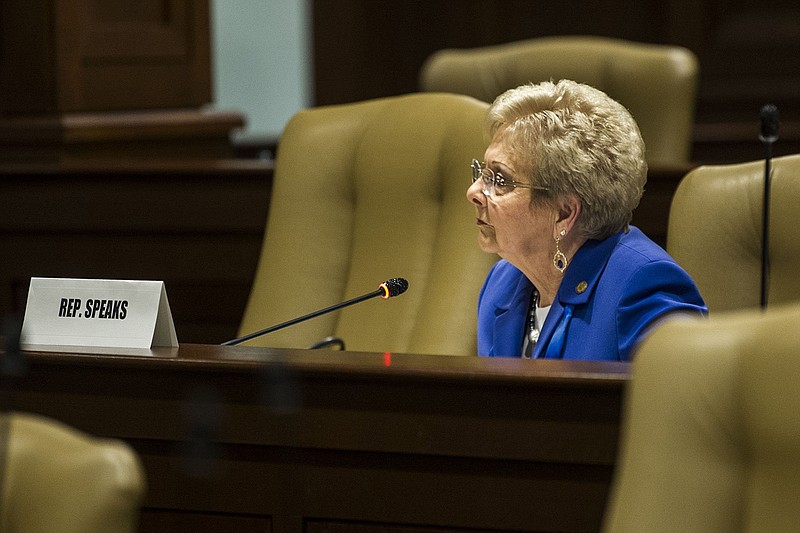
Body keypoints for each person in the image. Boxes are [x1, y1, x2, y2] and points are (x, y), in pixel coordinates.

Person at [467, 79, 707, 360]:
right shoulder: (501, 284)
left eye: (499, 179)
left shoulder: (642, 287)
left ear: (565, 213)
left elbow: (679, 400)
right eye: (481, 173)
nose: (473, 192)